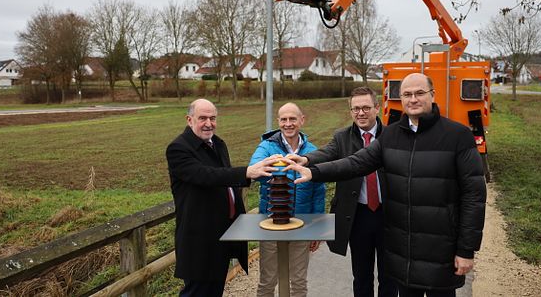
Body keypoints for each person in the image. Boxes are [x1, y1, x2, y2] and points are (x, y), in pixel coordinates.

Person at [285, 73, 487, 297]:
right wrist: (312, 171)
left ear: (432, 95)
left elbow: (474, 196)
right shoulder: (391, 137)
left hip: (440, 248)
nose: (413, 99)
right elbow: (355, 163)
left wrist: (466, 249)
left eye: (419, 93)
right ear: (400, 98)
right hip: (403, 248)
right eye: (407, 94)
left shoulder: (457, 136)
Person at [166, 98, 281, 297]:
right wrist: (247, 172)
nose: (208, 123)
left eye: (212, 118)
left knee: (215, 290)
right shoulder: (178, 148)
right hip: (199, 238)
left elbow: (225, 179)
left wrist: (258, 175)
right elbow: (205, 176)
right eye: (202, 118)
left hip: (222, 233)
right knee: (197, 291)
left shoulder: (217, 144)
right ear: (189, 119)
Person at [302, 86, 396, 297]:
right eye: (355, 109)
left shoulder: (393, 136)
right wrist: (306, 160)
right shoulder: (342, 137)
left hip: (389, 216)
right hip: (358, 215)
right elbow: (326, 153)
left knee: (390, 277)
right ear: (350, 111)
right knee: (361, 275)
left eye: (365, 107)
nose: (360, 113)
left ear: (377, 108)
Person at [249, 102, 325, 297]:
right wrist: (281, 166)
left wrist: (317, 228)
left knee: (298, 282)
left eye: (292, 119)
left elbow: (319, 191)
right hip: (271, 223)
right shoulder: (267, 147)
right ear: (278, 122)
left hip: (303, 225)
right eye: (284, 119)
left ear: (302, 120)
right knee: (267, 281)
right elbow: (254, 170)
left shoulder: (312, 151)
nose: (288, 123)